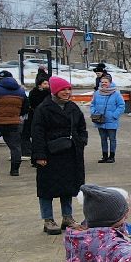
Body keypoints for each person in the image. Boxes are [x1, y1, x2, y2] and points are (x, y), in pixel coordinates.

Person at [31, 76, 88, 234]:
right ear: (55, 91)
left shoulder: (73, 107)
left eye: (69, 89)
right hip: (50, 154)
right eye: (63, 89)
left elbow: (81, 127)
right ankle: (48, 219)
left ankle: (67, 217)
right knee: (46, 189)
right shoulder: (43, 109)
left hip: (70, 153)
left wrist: (81, 141)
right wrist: (39, 155)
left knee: (67, 187)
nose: (67, 92)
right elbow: (37, 133)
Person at [0, 70, 27, 176]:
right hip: (14, 122)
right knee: (15, 147)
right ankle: (15, 170)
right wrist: (16, 115)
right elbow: (26, 107)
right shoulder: (21, 91)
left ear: (0, 79)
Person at [90, 75, 126, 164]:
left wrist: (114, 115)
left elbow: (121, 106)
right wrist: (94, 112)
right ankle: (104, 156)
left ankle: (112, 157)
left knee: (112, 139)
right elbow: (92, 104)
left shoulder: (116, 94)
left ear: (110, 83)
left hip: (111, 120)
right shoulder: (97, 93)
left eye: (106, 82)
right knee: (103, 139)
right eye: (102, 82)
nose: (104, 84)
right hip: (99, 119)